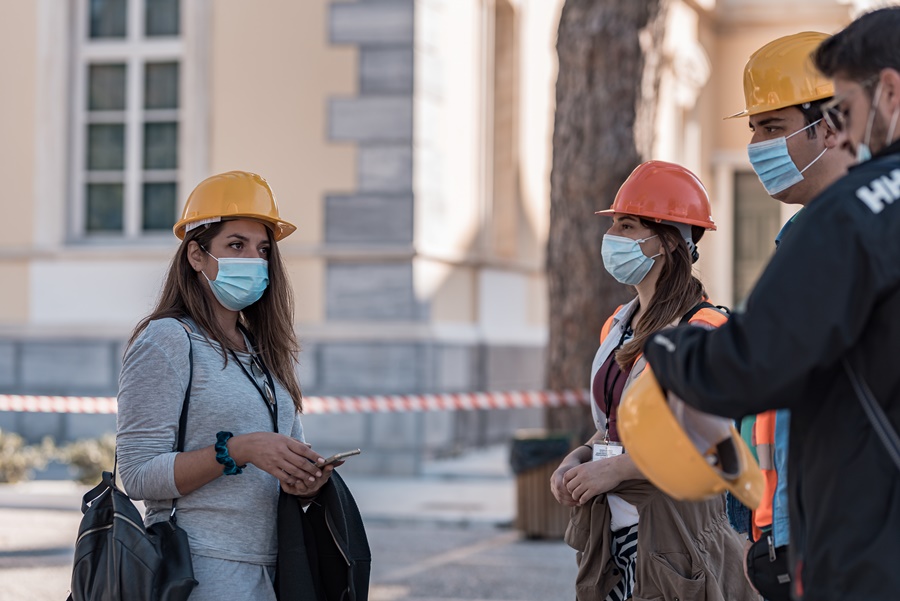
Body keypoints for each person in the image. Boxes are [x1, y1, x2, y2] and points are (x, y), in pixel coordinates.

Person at [641, 7, 900, 600]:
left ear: (888, 93)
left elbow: (750, 365)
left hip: (869, 542)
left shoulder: (853, 218)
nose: (848, 133)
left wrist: (670, 350)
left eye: (849, 112)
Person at [116, 171, 336, 601]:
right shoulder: (167, 340)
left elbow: (282, 452)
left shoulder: (263, 349)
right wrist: (238, 449)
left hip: (278, 566)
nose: (253, 259)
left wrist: (306, 479)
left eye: (263, 249)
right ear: (197, 255)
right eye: (236, 245)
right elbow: (138, 475)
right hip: (199, 568)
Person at [550, 161, 757, 601]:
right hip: (616, 538)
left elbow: (709, 444)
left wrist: (614, 470)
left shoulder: (704, 330)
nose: (612, 238)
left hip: (677, 540)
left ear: (664, 242)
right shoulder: (617, 326)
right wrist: (581, 455)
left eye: (627, 226)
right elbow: (614, 425)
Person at [726, 31, 855, 593]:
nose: (757, 145)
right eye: (753, 128)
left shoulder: (858, 234)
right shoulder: (802, 233)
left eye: (773, 128)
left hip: (836, 533)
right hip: (785, 527)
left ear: (830, 126)